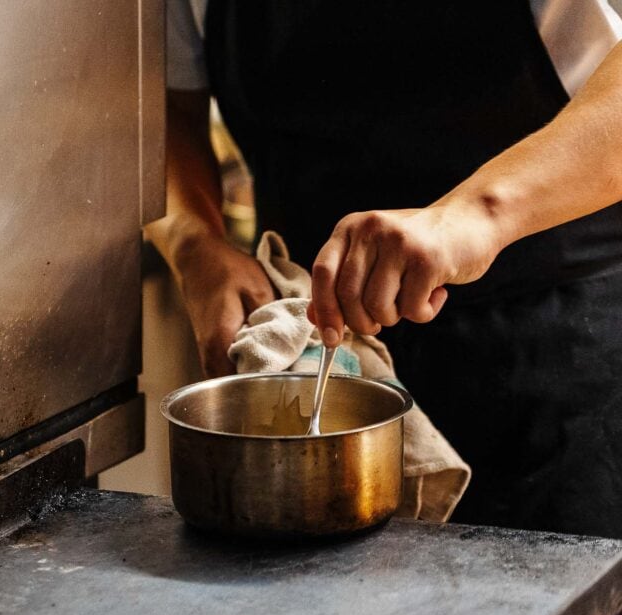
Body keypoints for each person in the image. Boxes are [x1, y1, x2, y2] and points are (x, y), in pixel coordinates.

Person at [147, 0, 622, 538]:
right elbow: (163, 109)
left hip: (557, 359)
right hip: (318, 351)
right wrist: (193, 241)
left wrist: (477, 213)